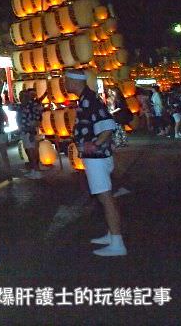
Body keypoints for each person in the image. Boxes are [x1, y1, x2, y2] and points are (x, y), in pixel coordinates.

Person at [64, 70, 127, 257]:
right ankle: (112, 235)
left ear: (75, 82)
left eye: (66, 81)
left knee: (106, 198)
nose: (65, 84)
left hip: (97, 158)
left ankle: (117, 242)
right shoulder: (87, 99)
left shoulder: (89, 100)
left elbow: (108, 124)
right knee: (103, 197)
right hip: (96, 158)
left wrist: (96, 144)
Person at [17, 89, 42, 179]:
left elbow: (36, 120)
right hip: (25, 131)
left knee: (32, 151)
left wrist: (31, 131)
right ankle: (33, 170)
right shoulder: (24, 106)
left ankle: (36, 171)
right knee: (29, 151)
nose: (20, 98)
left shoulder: (31, 106)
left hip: (29, 131)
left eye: (22, 96)